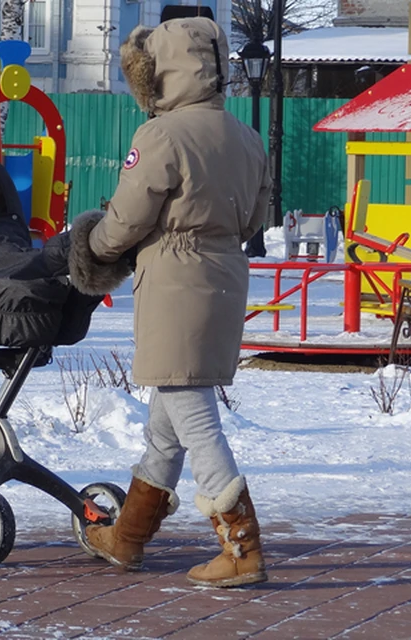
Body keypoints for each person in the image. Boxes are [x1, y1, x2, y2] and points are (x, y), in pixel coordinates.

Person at [68, 18, 271, 588]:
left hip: (174, 282)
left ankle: (241, 545)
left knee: (194, 415)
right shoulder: (246, 136)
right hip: (227, 277)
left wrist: (93, 246)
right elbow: (256, 215)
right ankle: (127, 537)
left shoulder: (160, 136)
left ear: (159, 74)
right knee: (168, 421)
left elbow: (128, 219)